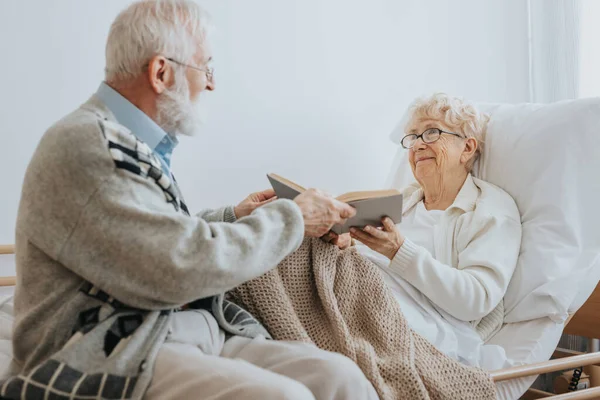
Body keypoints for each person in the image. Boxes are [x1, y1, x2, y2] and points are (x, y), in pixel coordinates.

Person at [0, 1, 379, 399]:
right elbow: (176, 266)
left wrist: (236, 216)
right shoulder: (88, 143)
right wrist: (294, 217)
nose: (211, 84)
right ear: (161, 72)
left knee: (342, 377)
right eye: (206, 68)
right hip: (109, 346)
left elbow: (150, 238)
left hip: (174, 329)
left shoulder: (129, 142)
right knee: (285, 396)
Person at [331, 93, 522, 368]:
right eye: (412, 137)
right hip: (361, 297)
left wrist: (399, 251)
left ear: (467, 148)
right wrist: (345, 241)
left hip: (428, 324)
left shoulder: (490, 210)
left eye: (431, 133)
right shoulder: (401, 200)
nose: (418, 145)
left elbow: (476, 299)